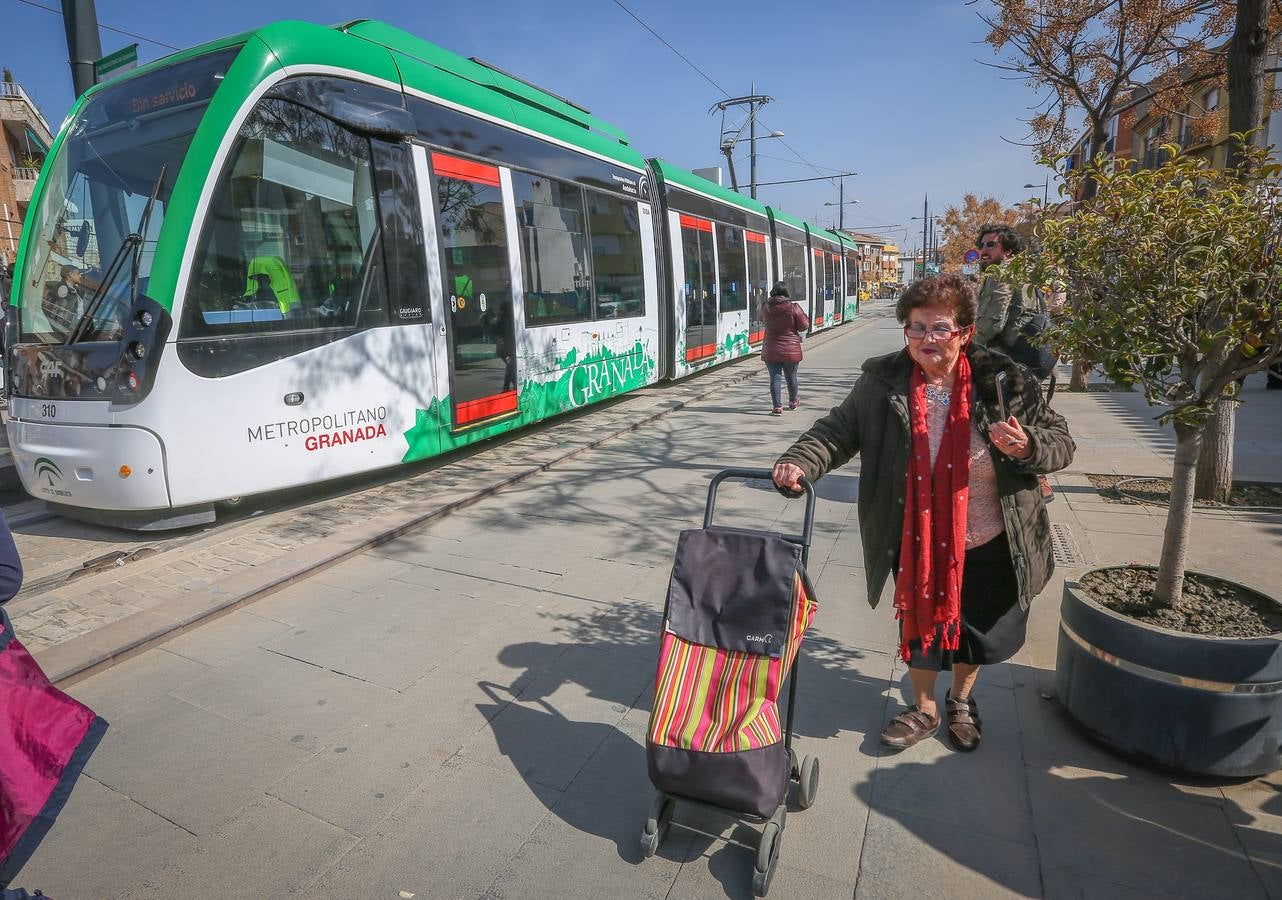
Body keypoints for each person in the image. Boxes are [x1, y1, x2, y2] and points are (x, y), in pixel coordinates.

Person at [771, 274, 1074, 752]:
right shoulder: (882, 381)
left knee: (978, 628)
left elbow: (1060, 441)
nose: (926, 339)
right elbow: (837, 431)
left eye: (939, 328)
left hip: (996, 533)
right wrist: (800, 461)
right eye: (915, 328)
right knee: (920, 620)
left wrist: (1029, 446)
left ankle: (961, 698)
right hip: (916, 534)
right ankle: (925, 706)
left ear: (965, 333)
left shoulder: (1006, 381)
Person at [975, 224, 1057, 502]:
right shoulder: (1027, 275)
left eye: (991, 245)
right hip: (1028, 357)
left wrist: (967, 344)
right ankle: (1036, 477)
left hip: (1007, 360)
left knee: (1007, 417)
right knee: (1026, 415)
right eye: (982, 245)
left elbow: (992, 321)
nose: (983, 251)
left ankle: (1034, 480)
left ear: (1007, 250)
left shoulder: (1000, 275)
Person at [761, 282, 810, 415]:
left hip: (770, 349)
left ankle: (777, 407)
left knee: (775, 378)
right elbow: (804, 325)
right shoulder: (793, 307)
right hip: (790, 349)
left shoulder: (766, 307)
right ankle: (793, 402)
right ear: (786, 293)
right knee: (791, 376)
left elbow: (762, 320)